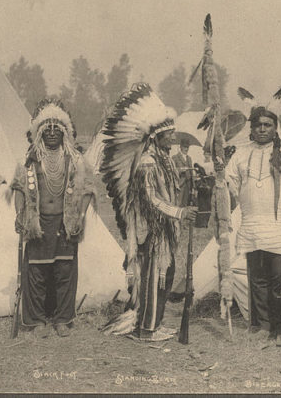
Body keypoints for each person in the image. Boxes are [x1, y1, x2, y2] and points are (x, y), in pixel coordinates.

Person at [99, 83, 197, 341]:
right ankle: (147, 328)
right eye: (169, 134)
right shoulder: (147, 163)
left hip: (162, 230)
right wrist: (178, 213)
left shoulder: (164, 159)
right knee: (155, 276)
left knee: (166, 273)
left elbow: (168, 191)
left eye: (173, 132)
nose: (174, 137)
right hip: (150, 231)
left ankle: (155, 321)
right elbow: (151, 199)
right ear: (156, 137)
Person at [225, 87, 281, 348]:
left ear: (276, 128)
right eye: (258, 124)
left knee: (277, 281)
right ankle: (261, 327)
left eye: (267, 124)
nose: (262, 129)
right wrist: (221, 179)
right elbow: (230, 183)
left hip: (278, 226)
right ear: (252, 127)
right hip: (250, 225)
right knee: (257, 279)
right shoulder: (240, 153)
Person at [11, 99, 95, 338]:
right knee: (36, 272)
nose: (51, 134)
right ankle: (37, 320)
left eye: (56, 130)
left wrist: (79, 216)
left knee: (64, 271)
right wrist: (20, 214)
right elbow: (19, 188)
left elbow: (88, 189)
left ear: (64, 133)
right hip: (37, 224)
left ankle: (62, 320)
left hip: (64, 224)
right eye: (46, 130)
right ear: (38, 133)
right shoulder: (29, 159)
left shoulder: (75, 159)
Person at [172, 137, 193, 206]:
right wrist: (180, 170)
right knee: (178, 204)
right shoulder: (175, 157)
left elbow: (191, 173)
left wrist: (193, 186)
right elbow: (172, 170)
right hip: (180, 184)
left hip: (188, 184)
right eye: (184, 147)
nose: (186, 149)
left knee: (186, 204)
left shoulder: (189, 158)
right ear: (180, 147)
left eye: (187, 147)